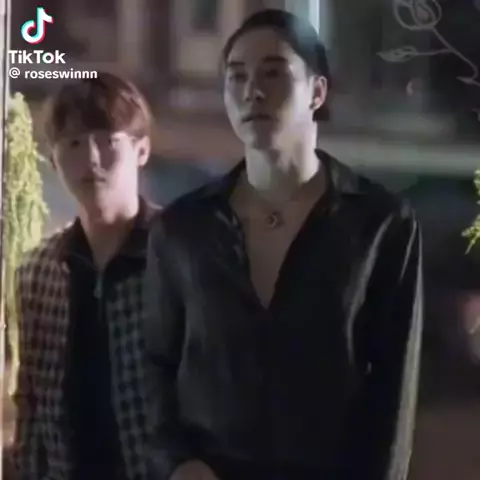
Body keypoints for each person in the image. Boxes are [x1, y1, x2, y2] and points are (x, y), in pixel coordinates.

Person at [143, 9, 423, 480]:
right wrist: (176, 462)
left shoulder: (379, 223)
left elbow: (394, 387)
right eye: (237, 76)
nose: (252, 90)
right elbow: (156, 364)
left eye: (274, 73)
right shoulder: (183, 229)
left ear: (317, 91)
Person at [11, 72, 159, 480]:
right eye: (73, 144)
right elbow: (33, 407)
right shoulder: (38, 271)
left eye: (107, 140)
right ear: (54, 160)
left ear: (141, 150)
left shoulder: (181, 254)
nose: (91, 158)